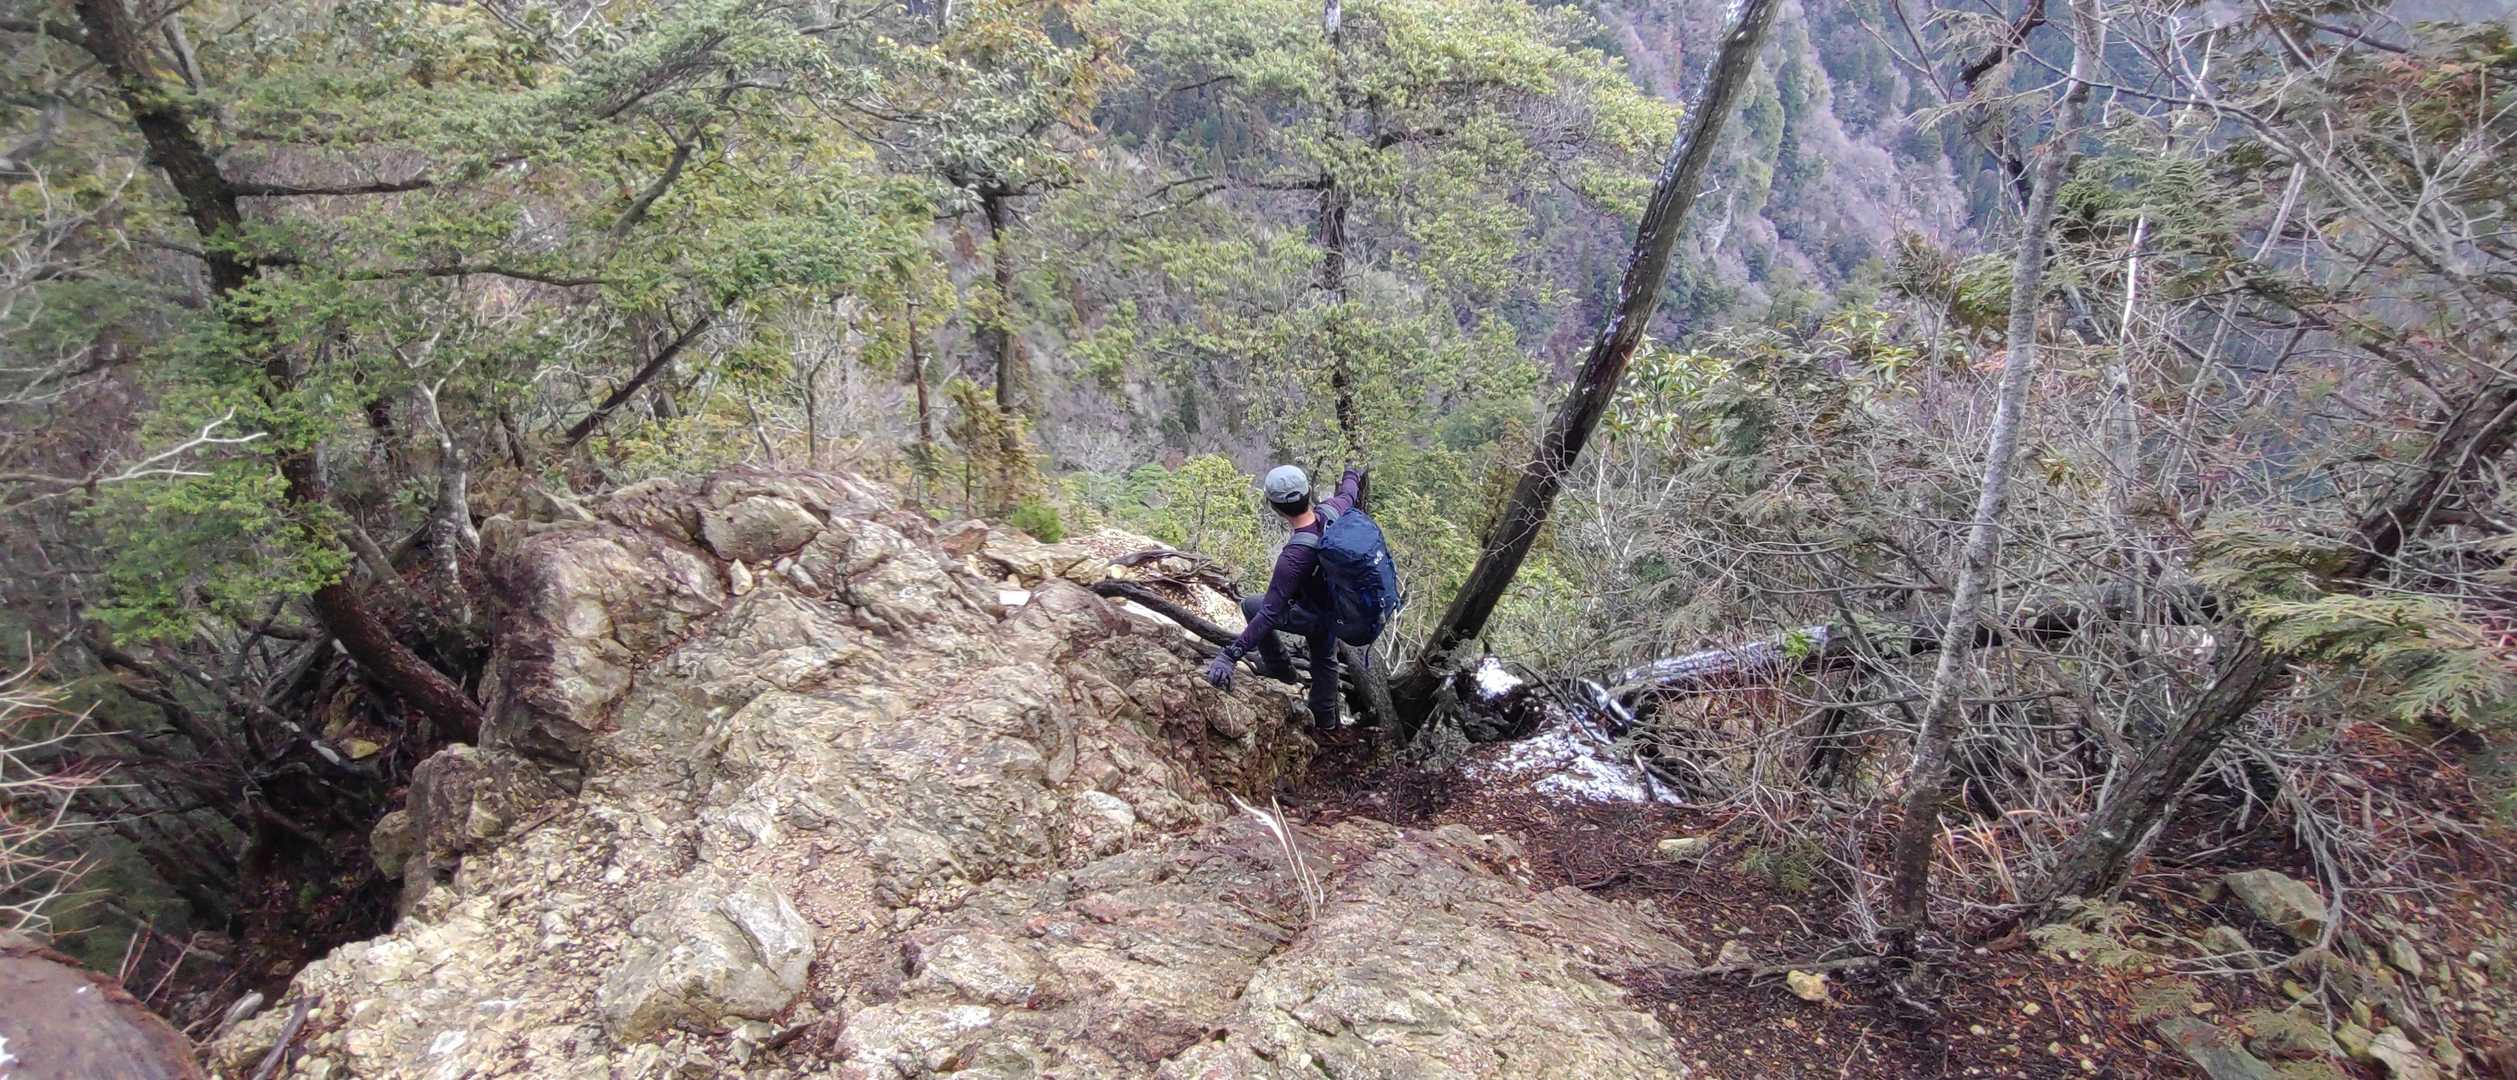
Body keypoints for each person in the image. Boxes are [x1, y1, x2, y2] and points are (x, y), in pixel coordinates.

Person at [1205, 463, 1366, 730]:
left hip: (1313, 613)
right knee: (1325, 658)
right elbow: (1349, 492)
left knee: (1252, 606)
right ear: (1308, 491)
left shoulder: (1294, 557)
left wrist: (1230, 656)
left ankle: (1280, 669)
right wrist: (1352, 472)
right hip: (1340, 608)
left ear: (1275, 507)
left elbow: (1268, 614)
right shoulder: (1333, 509)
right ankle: (1325, 723)